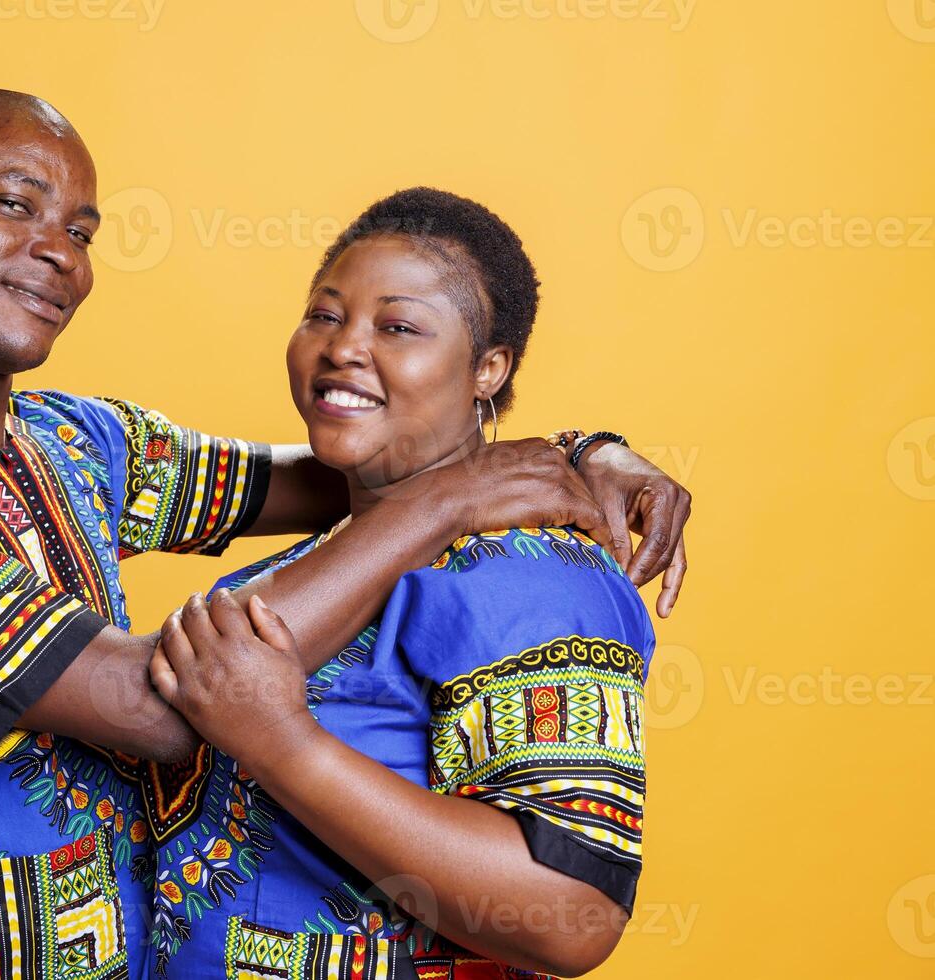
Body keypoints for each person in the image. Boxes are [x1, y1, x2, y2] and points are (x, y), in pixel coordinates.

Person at [0, 89, 689, 979]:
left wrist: (573, 453)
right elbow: (154, 708)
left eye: (79, 231)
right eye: (16, 205)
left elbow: (347, 462)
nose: (59, 253)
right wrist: (450, 496)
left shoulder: (76, 443)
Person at [148, 188, 667, 979]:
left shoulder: (534, 573)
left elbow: (571, 914)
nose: (344, 348)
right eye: (324, 315)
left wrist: (286, 744)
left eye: (397, 327)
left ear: (488, 367)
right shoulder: (310, 560)